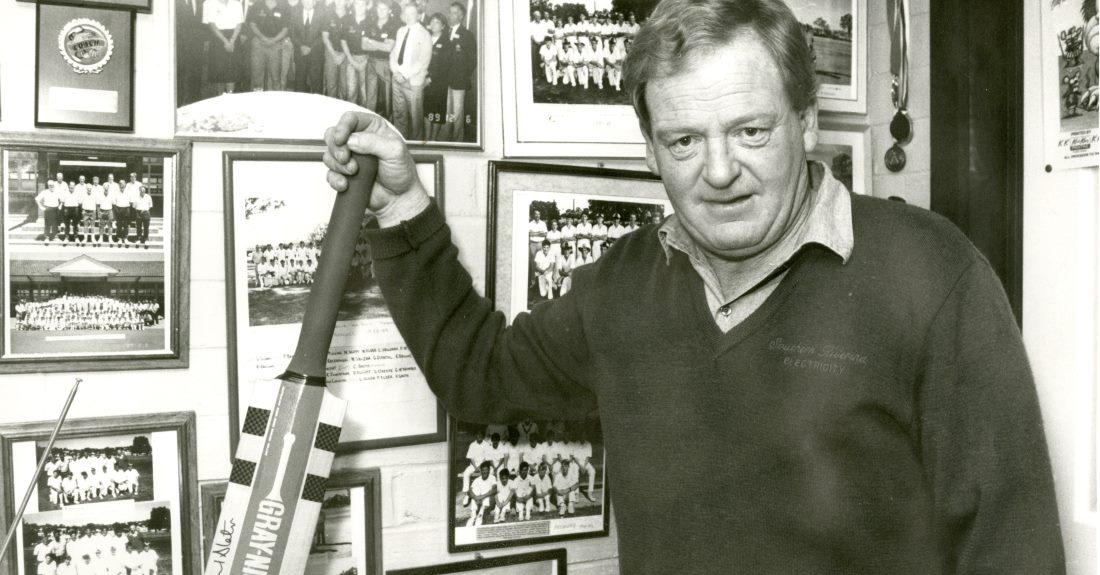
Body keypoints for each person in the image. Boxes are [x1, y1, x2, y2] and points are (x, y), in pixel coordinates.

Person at [321, 0, 1064, 571]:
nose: (718, 171)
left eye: (750, 130)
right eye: (684, 141)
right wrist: (400, 209)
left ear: (806, 123)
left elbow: (1014, 550)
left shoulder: (932, 276)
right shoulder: (621, 287)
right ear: (651, 152)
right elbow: (478, 375)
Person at [390, 2, 432, 140]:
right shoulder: (400, 31)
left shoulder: (425, 34)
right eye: (406, 13)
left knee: (416, 119)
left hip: (413, 82)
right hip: (397, 80)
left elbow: (423, 62)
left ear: (419, 15)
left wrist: (404, 75)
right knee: (399, 114)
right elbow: (394, 53)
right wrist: (395, 72)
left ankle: (417, 148)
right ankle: (401, 141)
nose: (408, 16)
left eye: (412, 13)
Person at [438, 2, 476, 142]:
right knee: (447, 111)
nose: (450, 15)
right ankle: (445, 137)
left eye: (454, 13)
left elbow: (472, 60)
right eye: (450, 12)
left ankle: (457, 141)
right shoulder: (444, 32)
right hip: (444, 80)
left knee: (458, 113)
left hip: (459, 81)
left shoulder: (467, 35)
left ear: (461, 16)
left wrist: (462, 75)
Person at [362, 1, 399, 117]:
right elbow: (363, 45)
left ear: (389, 10)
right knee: (371, 94)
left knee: (387, 94)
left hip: (385, 64)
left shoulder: (394, 25)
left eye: (384, 9)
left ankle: (388, 119)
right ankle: (370, 118)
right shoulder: (371, 23)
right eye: (379, 9)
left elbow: (388, 48)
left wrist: (372, 42)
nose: (381, 12)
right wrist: (381, 45)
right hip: (371, 61)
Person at [247, 0, 292, 91]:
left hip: (276, 44)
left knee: (275, 78)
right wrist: (263, 38)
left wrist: (274, 40)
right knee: (257, 77)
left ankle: (275, 102)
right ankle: (257, 101)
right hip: (258, 44)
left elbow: (286, 29)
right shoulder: (257, 4)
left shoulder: (285, 6)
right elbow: (252, 24)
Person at [203, 0, 245, 94]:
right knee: (219, 72)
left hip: (233, 38)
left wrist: (232, 41)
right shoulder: (208, 3)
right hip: (218, 39)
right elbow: (212, 26)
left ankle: (230, 95)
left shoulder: (236, 4)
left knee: (232, 72)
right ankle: (220, 97)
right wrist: (225, 41)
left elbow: (239, 24)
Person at [341, 0, 373, 107]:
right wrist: (351, 60)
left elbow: (373, 44)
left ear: (366, 6)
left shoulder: (371, 21)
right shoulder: (347, 19)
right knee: (351, 91)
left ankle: (364, 118)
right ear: (353, 5)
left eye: (362, 4)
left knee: (365, 92)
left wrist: (366, 61)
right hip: (351, 58)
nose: (360, 7)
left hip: (366, 60)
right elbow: (343, 41)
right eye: (357, 4)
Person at [423, 12, 448, 140]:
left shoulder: (446, 42)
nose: (433, 24)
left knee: (437, 112)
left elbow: (445, 66)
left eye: (437, 22)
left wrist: (431, 79)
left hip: (439, 83)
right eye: (432, 21)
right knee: (427, 111)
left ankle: (433, 140)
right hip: (424, 80)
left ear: (443, 26)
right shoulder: (426, 38)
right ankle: (427, 139)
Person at [291, 0, 326, 94]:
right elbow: (293, 34)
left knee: (316, 85)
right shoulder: (295, 13)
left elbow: (323, 36)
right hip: (300, 54)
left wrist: (310, 48)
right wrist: (301, 46)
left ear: (315, 2)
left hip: (316, 54)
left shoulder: (322, 14)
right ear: (301, 1)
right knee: (299, 84)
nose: (307, 2)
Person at [320, 0, 349, 100]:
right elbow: (325, 37)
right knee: (331, 85)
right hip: (331, 53)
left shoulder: (351, 16)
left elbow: (352, 40)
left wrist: (343, 56)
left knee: (344, 87)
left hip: (346, 55)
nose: (340, 2)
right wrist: (334, 55)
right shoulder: (328, 14)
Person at [35, 180, 61, 245]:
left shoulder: (57, 192)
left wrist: (60, 205)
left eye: (52, 185)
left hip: (55, 209)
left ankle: (55, 237)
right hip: (48, 209)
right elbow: (37, 199)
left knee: (55, 224)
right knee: (48, 224)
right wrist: (41, 207)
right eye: (50, 185)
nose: (51, 186)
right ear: (48, 186)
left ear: (54, 186)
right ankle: (47, 237)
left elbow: (62, 199)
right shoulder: (44, 192)